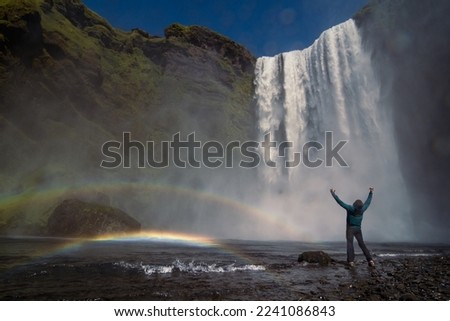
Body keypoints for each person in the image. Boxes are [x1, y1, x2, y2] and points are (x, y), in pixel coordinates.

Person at [330, 187, 375, 267]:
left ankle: (351, 261)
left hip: (350, 229)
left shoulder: (350, 208)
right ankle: (370, 260)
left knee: (350, 244)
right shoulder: (362, 209)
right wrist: (371, 192)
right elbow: (368, 202)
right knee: (362, 244)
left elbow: (340, 202)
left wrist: (333, 193)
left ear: (354, 205)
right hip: (358, 229)